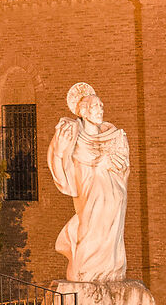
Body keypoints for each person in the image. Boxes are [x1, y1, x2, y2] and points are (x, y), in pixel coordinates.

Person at [49, 81, 129, 283]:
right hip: (88, 189)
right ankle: (85, 268)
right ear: (84, 112)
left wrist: (118, 165)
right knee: (91, 223)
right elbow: (57, 159)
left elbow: (123, 167)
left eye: (101, 106)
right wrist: (59, 150)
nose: (100, 110)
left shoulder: (114, 135)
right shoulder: (72, 132)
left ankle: (111, 268)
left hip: (113, 193)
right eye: (95, 107)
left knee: (112, 222)